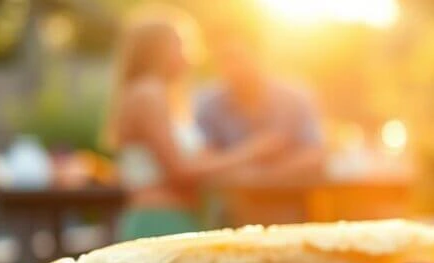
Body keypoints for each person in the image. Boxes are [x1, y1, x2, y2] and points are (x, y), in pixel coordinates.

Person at [104, 7, 274, 241]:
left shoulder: (162, 96)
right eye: (181, 44)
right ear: (159, 50)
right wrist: (251, 151)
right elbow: (179, 170)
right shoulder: (149, 93)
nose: (191, 54)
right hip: (159, 220)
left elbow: (195, 161)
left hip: (178, 217)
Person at [196, 24, 325, 181]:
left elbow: (315, 155)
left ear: (258, 56)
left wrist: (262, 177)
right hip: (234, 197)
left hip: (292, 192)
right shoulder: (209, 103)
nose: (233, 67)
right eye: (225, 59)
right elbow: (204, 162)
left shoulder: (295, 96)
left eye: (239, 57)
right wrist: (253, 150)